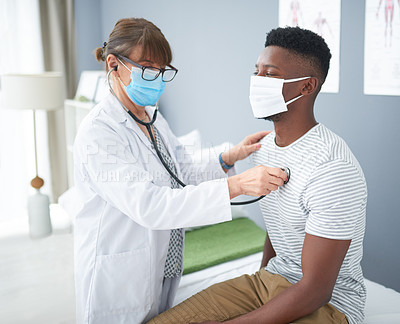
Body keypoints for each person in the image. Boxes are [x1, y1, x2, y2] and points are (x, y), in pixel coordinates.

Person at [73, 18, 288, 324]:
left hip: (160, 265)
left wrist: (230, 156)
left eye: (163, 70)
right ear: (113, 64)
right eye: (148, 67)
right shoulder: (99, 132)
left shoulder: (152, 118)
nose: (157, 78)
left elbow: (178, 169)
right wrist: (236, 186)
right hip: (119, 276)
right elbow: (150, 205)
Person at [148, 26, 367, 324]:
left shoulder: (332, 168)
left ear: (306, 87)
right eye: (256, 71)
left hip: (329, 306)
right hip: (269, 282)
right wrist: (264, 277)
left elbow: (316, 290)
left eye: (270, 74)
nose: (257, 82)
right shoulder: (264, 148)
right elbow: (279, 228)